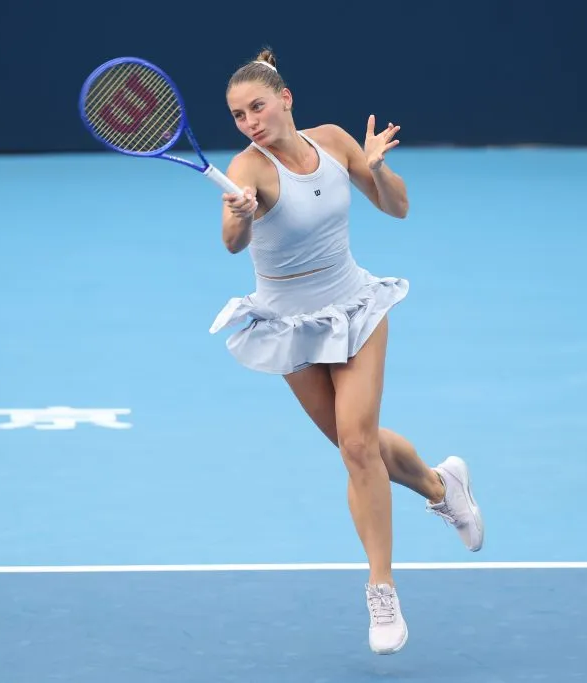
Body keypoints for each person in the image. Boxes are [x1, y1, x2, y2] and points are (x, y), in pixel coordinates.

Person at [208, 48, 484, 655]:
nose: (250, 122)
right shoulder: (246, 169)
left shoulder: (333, 141)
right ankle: (442, 487)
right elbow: (232, 243)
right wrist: (240, 214)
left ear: (286, 99)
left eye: (257, 107)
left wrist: (377, 169)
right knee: (356, 443)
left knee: (358, 447)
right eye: (238, 115)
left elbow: (398, 206)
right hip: (289, 325)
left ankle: (381, 590)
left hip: (355, 308)